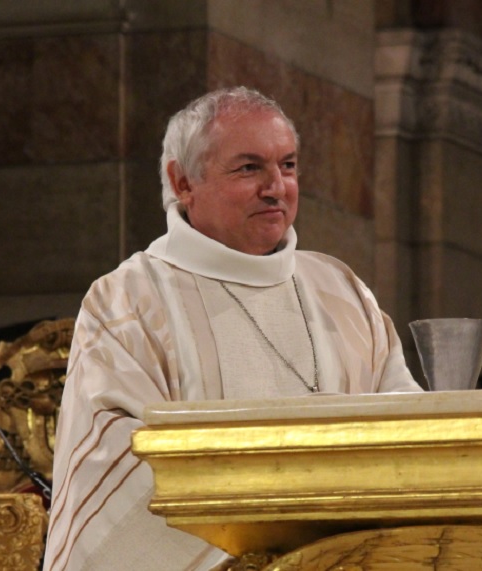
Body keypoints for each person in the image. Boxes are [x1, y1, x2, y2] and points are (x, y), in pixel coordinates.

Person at [43, 86, 422, 571]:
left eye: (288, 165)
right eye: (249, 168)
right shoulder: (130, 299)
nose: (276, 187)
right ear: (182, 181)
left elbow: (405, 432)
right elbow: (115, 461)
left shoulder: (342, 293)